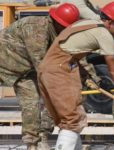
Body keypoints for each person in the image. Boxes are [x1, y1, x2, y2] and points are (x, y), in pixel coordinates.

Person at [37, 2, 114, 149]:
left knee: (70, 120)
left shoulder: (87, 23)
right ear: (109, 21)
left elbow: (70, 52)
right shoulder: (104, 33)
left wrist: (89, 77)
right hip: (60, 70)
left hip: (48, 69)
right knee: (73, 120)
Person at [0, 3, 80, 150]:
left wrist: (86, 74)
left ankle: (36, 141)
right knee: (48, 96)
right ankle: (34, 142)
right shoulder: (36, 29)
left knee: (34, 102)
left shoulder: (58, 32)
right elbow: (42, 65)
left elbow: (72, 54)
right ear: (56, 21)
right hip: (4, 62)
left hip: (25, 69)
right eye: (65, 26)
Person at [59, 0, 114, 135]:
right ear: (109, 22)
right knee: (71, 113)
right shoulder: (102, 31)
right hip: (62, 66)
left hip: (68, 62)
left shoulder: (95, 25)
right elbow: (113, 70)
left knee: (72, 117)